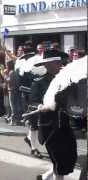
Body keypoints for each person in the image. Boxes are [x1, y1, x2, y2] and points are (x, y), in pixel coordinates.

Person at [32, 50, 77, 180]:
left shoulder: (69, 79)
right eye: (48, 64)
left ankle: (45, 177)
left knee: (68, 158)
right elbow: (32, 102)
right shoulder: (39, 82)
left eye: (55, 63)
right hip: (50, 127)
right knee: (58, 160)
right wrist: (39, 106)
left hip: (66, 126)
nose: (51, 66)